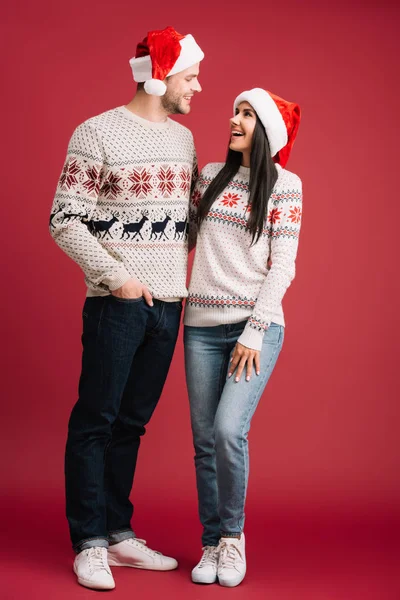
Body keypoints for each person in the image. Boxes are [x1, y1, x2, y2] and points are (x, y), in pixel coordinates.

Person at [49, 26, 204, 590]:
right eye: (191, 76)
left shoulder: (185, 141)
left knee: (132, 425)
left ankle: (118, 535)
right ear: (160, 78)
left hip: (171, 305)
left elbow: (186, 220)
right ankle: (88, 542)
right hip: (118, 304)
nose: (199, 86)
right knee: (97, 420)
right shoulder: (96, 133)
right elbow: (63, 219)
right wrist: (119, 278)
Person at [184, 88, 302, 587]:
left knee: (229, 430)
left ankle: (232, 539)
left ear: (268, 130)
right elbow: (180, 234)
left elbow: (284, 266)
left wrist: (254, 331)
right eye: (236, 111)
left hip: (256, 327)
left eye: (247, 114)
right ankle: (210, 545)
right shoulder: (209, 176)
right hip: (200, 329)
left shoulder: (287, 186)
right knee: (205, 441)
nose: (233, 119)